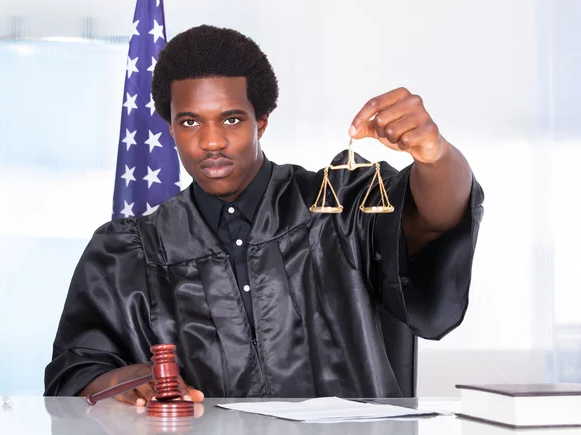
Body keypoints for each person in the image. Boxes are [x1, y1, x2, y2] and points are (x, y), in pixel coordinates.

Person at [44, 24, 484, 405]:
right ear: (170, 125)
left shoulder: (341, 208)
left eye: (231, 119)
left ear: (262, 121)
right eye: (191, 122)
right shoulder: (125, 252)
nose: (211, 141)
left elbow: (436, 219)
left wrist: (435, 155)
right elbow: (76, 372)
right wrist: (122, 382)